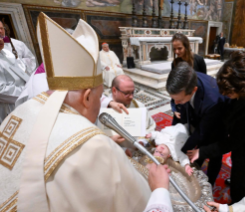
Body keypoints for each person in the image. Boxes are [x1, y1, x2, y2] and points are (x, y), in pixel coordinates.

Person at [0, 13, 173, 212]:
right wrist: (159, 190)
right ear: (88, 97)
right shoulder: (95, 145)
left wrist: (106, 102)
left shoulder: (21, 113)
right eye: (101, 97)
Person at [187, 51, 245, 203]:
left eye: (228, 92)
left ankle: (237, 204)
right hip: (242, 148)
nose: (224, 95)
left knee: (239, 190)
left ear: (241, 88)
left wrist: (202, 151)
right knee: (236, 176)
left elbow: (231, 143)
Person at [166, 61, 228, 186]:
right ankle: (195, 169)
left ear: (193, 90)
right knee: (196, 149)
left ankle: (209, 183)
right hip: (202, 117)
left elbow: (202, 131)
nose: (176, 104)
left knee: (214, 154)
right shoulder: (187, 79)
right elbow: (184, 112)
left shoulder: (212, 100)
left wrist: (180, 151)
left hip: (218, 125)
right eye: (174, 99)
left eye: (180, 100)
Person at [0, 35, 30, 123]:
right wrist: (24, 93)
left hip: (24, 99)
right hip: (9, 106)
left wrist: (30, 84)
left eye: (0, 37)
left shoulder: (6, 53)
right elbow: (1, 91)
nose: (0, 40)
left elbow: (20, 73)